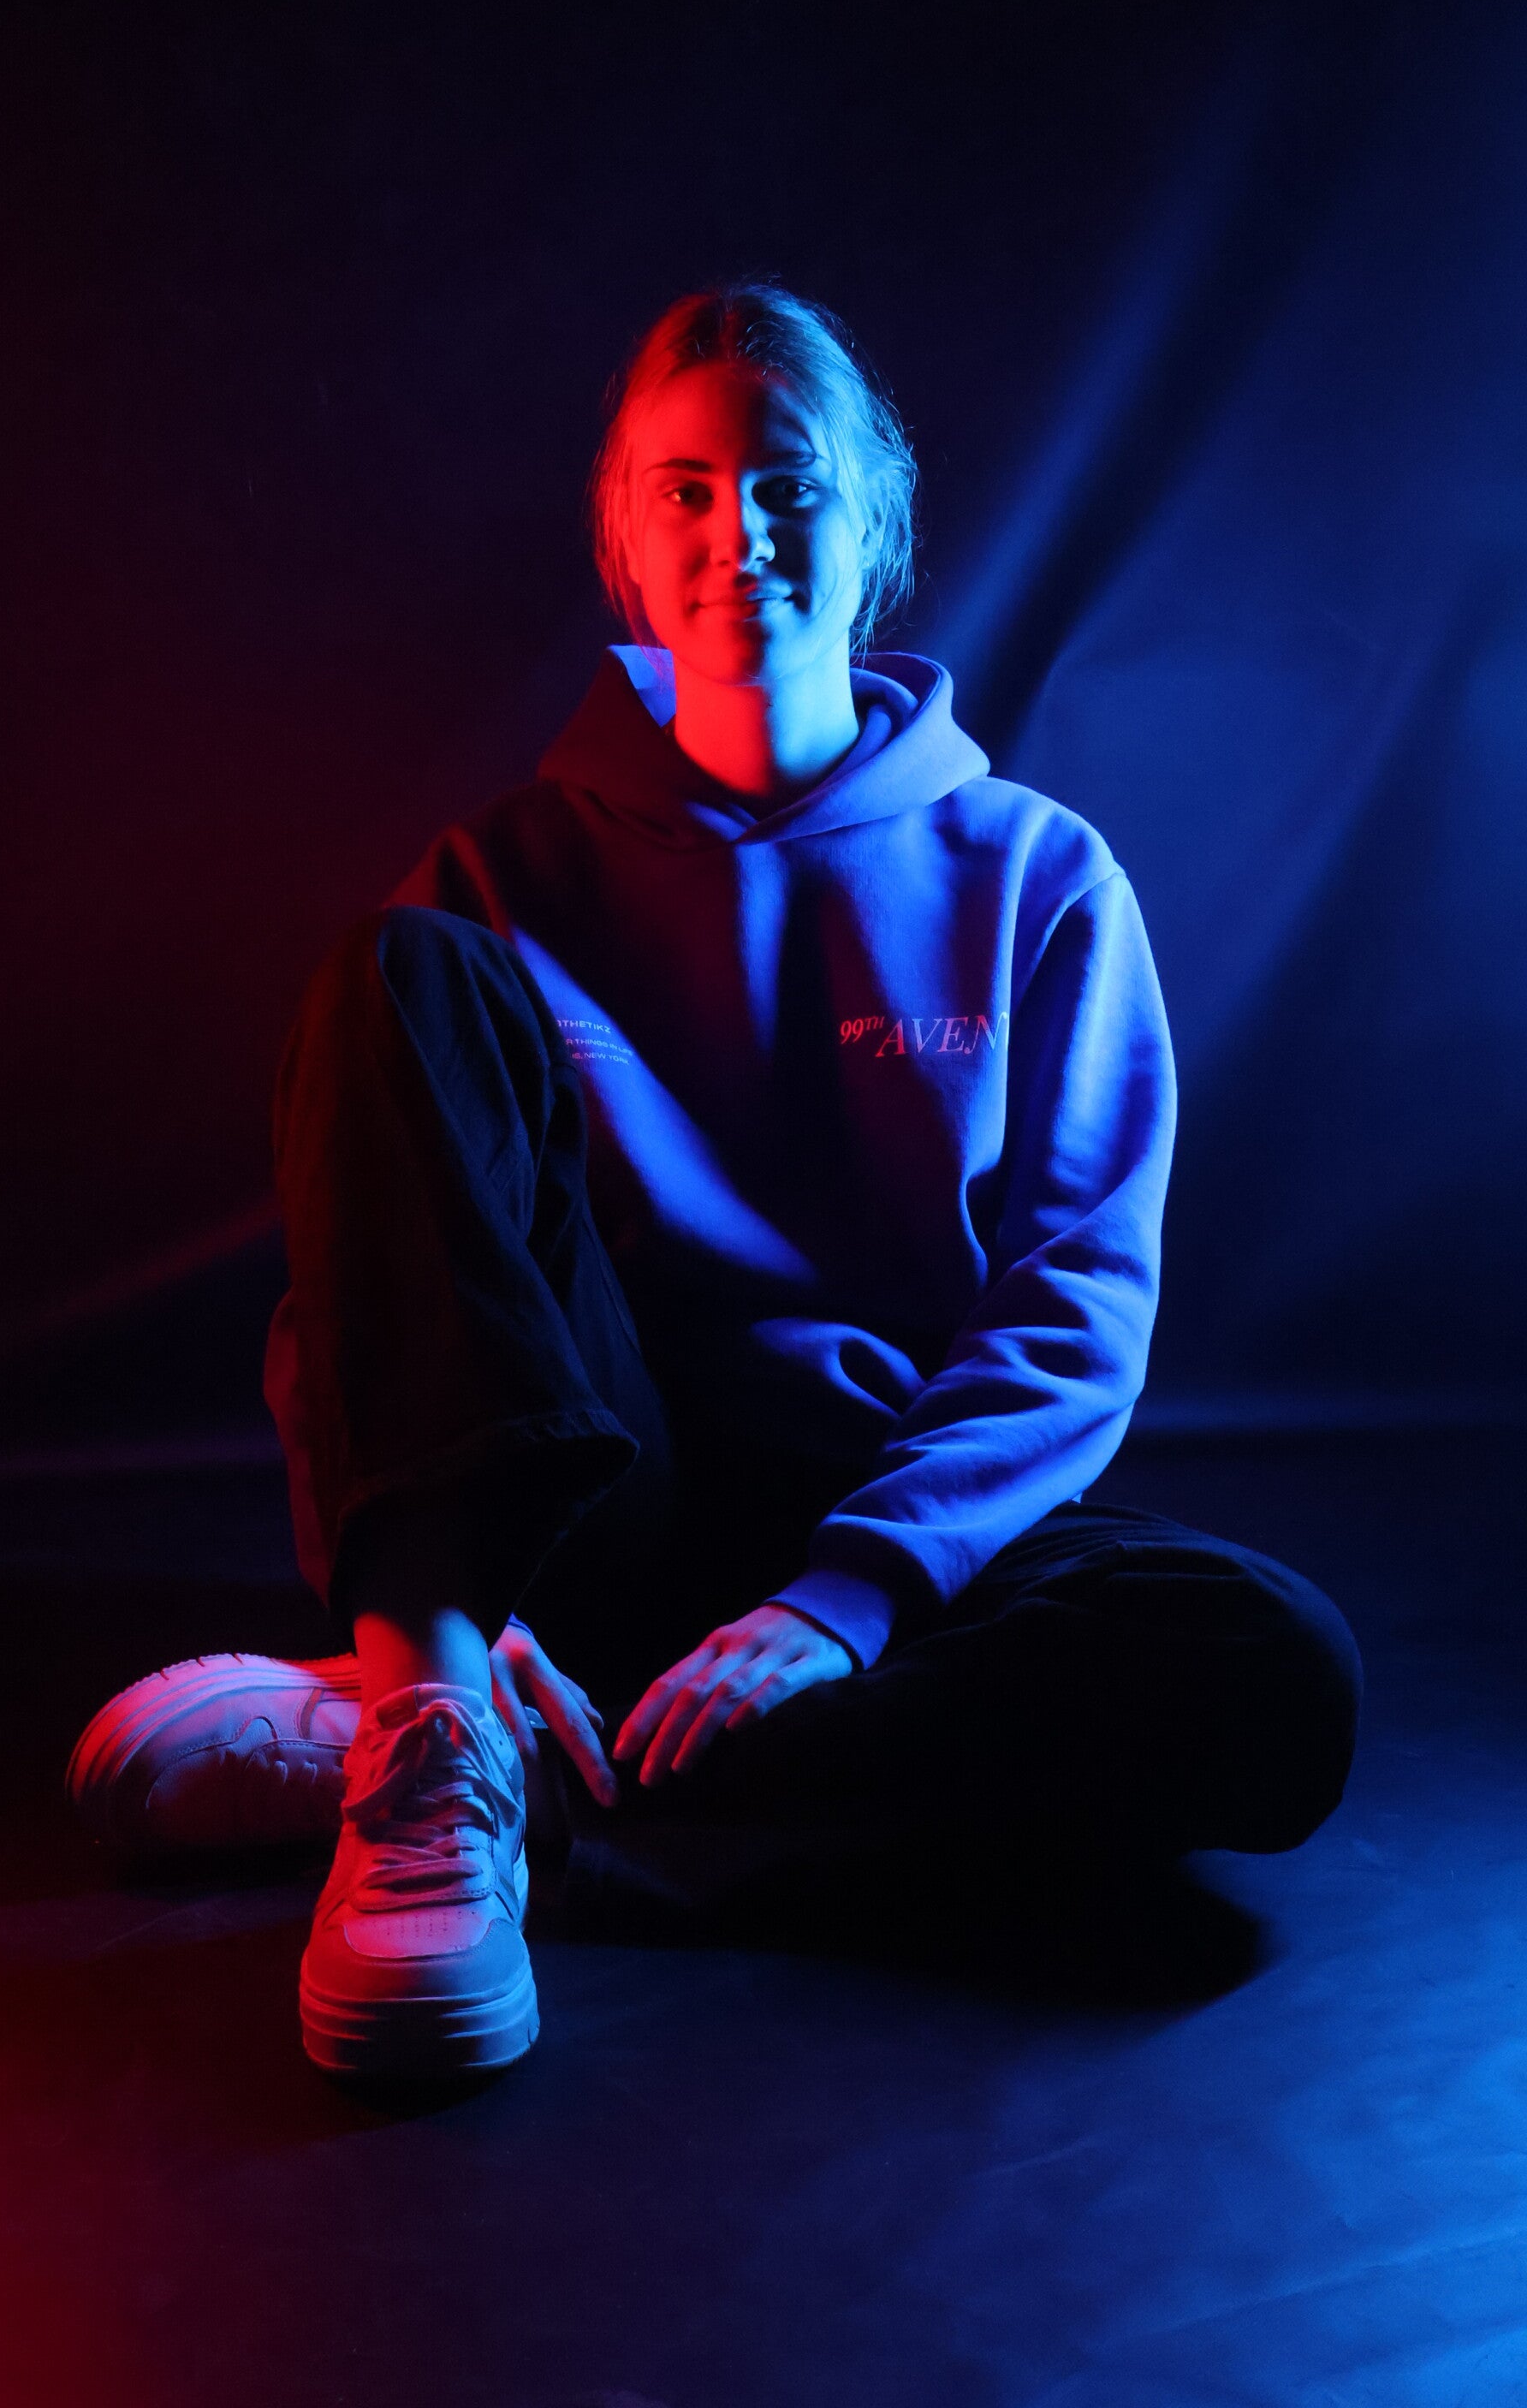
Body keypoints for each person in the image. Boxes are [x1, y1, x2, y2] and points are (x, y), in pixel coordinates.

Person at [68, 283, 1363, 2080]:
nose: (734, 532)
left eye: (786, 484)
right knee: (391, 974)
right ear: (623, 537)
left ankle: (469, 1771)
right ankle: (445, 1688)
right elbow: (373, 1283)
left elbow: (1077, 1308)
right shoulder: (498, 881)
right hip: (597, 1503)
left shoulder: (1039, 876)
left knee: (1275, 1679)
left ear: (873, 524)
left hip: (903, 1529)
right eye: (682, 489)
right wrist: (478, 1600)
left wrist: (845, 1601)